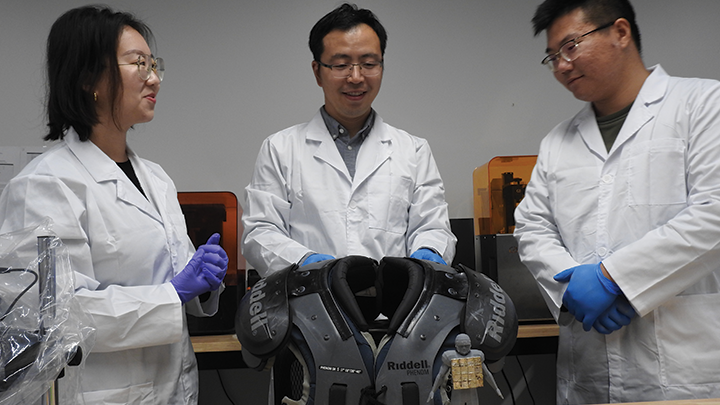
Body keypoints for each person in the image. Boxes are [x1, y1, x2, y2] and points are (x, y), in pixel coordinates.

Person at [0, 6, 228, 404]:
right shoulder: (44, 184)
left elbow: (174, 278)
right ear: (90, 77)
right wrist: (171, 294)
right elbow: (52, 320)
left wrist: (204, 281)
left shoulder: (156, 178)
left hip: (175, 386)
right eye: (138, 64)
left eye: (154, 64)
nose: (154, 78)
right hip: (99, 393)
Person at [514, 0, 720, 403]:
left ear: (620, 32)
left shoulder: (703, 104)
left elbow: (714, 211)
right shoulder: (558, 141)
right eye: (552, 57)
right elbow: (532, 227)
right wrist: (572, 283)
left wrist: (614, 278)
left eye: (570, 47)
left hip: (686, 371)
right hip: (588, 370)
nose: (561, 66)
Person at [242, 3, 456, 276]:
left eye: (368, 64)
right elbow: (260, 232)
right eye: (341, 65)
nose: (356, 77)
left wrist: (428, 255)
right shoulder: (280, 149)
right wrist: (309, 264)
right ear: (317, 71)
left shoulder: (413, 151)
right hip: (310, 306)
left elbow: (433, 227)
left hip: (396, 310)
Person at [427, 334, 503, 405]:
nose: (464, 348)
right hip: (457, 392)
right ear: (456, 346)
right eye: (461, 346)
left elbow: (487, 374)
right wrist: (433, 390)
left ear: (470, 345)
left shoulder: (477, 355)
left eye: (466, 346)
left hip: (472, 392)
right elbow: (441, 375)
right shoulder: (450, 356)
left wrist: (496, 388)